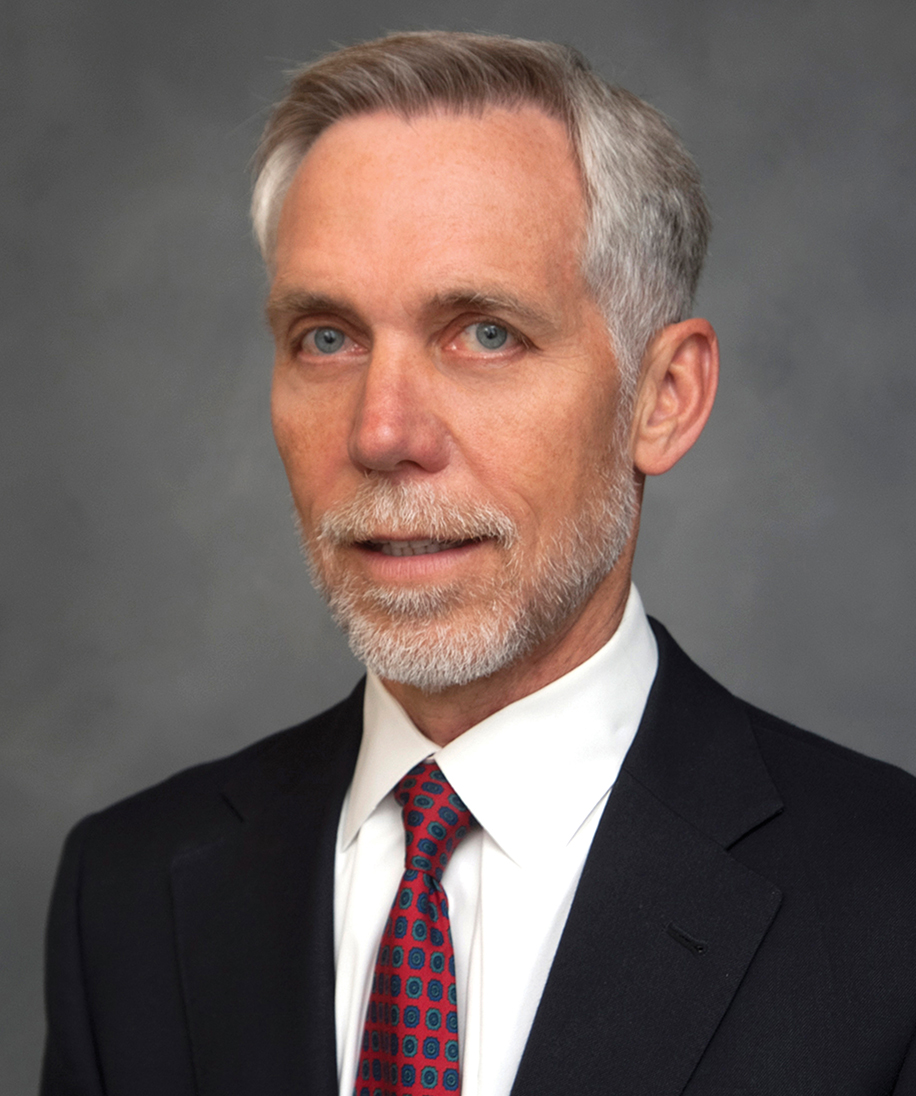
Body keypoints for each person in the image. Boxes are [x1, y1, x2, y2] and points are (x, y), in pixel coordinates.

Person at [41, 31, 916, 1096]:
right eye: (327, 337)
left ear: (663, 398)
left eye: (485, 333)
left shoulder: (890, 902)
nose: (382, 432)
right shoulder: (125, 893)